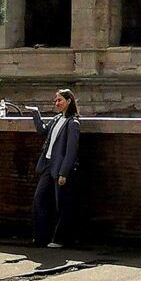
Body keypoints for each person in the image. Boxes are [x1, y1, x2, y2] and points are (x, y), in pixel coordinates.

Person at [30, 89, 82, 248]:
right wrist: (36, 114)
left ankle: (60, 239)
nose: (56, 103)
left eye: (59, 100)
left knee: (62, 204)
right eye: (56, 100)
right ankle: (41, 237)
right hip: (48, 164)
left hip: (60, 168)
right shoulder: (57, 118)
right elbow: (42, 131)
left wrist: (63, 173)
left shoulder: (73, 123)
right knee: (39, 198)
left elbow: (71, 151)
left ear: (69, 101)